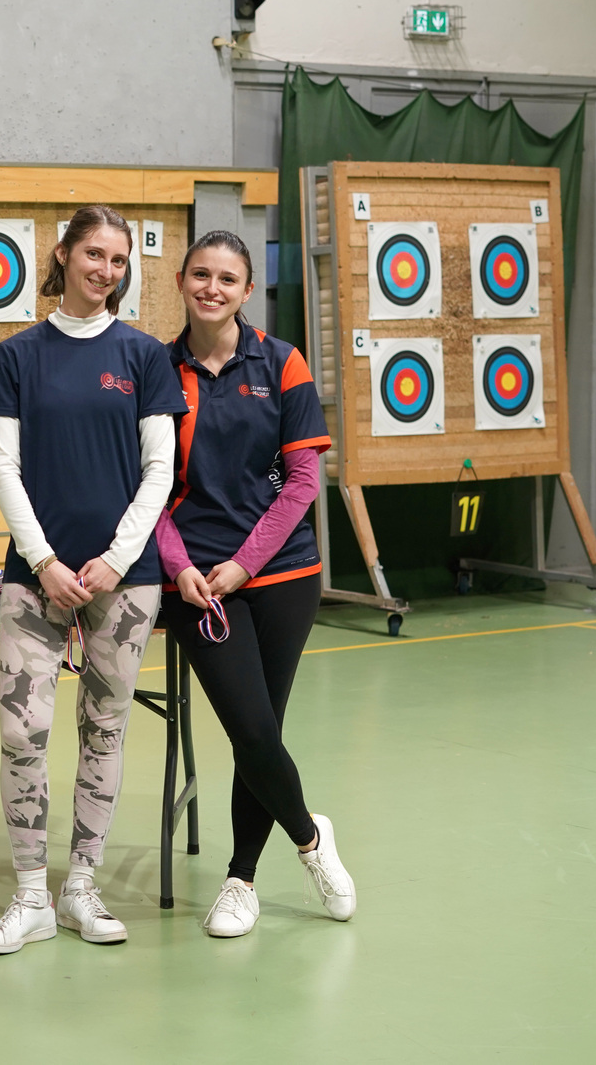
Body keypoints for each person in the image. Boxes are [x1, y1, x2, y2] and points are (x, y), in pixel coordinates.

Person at [0, 205, 185, 954]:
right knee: (21, 731)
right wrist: (46, 562)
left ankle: (81, 887)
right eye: (94, 254)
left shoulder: (145, 356)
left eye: (119, 260)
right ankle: (31, 895)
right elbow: (4, 468)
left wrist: (116, 560)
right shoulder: (16, 356)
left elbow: (160, 470)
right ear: (62, 255)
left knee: (106, 726)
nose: (106, 270)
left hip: (127, 580)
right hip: (36, 577)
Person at [152, 230, 356, 939]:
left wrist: (245, 563)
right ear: (182, 280)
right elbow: (147, 489)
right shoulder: (157, 369)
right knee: (250, 725)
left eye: (227, 278)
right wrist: (180, 566)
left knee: (261, 730)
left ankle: (240, 880)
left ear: (245, 291)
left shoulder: (283, 362)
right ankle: (311, 840)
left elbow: (301, 481)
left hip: (283, 574)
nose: (212, 288)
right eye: (200, 274)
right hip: (197, 584)